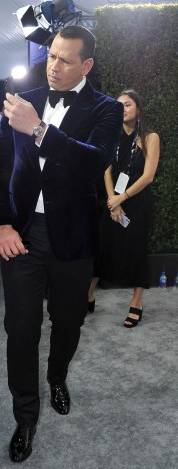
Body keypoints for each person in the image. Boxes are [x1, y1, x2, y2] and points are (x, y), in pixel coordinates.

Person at [0, 25, 123, 463]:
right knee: (20, 331)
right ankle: (25, 418)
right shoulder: (26, 98)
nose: (55, 66)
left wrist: (40, 129)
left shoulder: (106, 109)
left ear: (86, 65)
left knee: (68, 324)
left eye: (66, 60)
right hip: (21, 235)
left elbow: (92, 163)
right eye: (52, 57)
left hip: (74, 239)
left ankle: (58, 375)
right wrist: (1, 224)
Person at [88, 89, 160, 327]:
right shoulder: (113, 137)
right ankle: (88, 295)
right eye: (118, 106)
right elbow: (106, 170)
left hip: (137, 204)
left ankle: (136, 302)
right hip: (113, 203)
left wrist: (122, 198)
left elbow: (148, 176)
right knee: (102, 248)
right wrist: (112, 201)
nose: (122, 110)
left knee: (136, 252)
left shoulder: (150, 138)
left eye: (127, 105)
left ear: (138, 109)